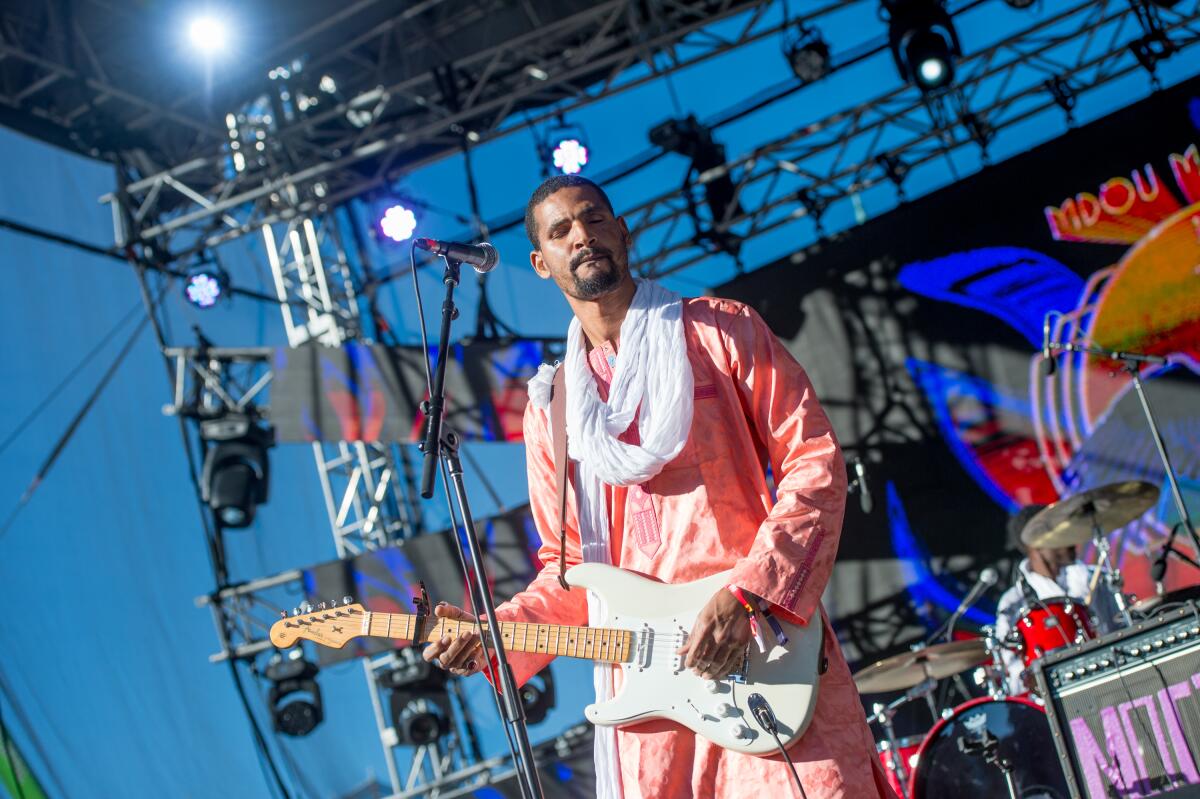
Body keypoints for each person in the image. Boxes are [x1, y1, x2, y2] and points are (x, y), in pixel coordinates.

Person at [422, 175, 895, 798]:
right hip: (650, 710)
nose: (582, 236)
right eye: (561, 231)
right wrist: (494, 633)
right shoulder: (553, 412)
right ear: (541, 264)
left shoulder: (718, 332)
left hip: (760, 651)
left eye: (594, 219)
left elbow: (813, 459)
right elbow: (567, 572)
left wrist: (750, 592)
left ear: (623, 232)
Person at [992, 504, 1119, 695]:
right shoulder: (1013, 603)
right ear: (1035, 542)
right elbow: (1014, 675)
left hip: (1114, 680)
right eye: (1060, 532)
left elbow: (1122, 627)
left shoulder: (1095, 577)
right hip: (1056, 698)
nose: (1071, 539)